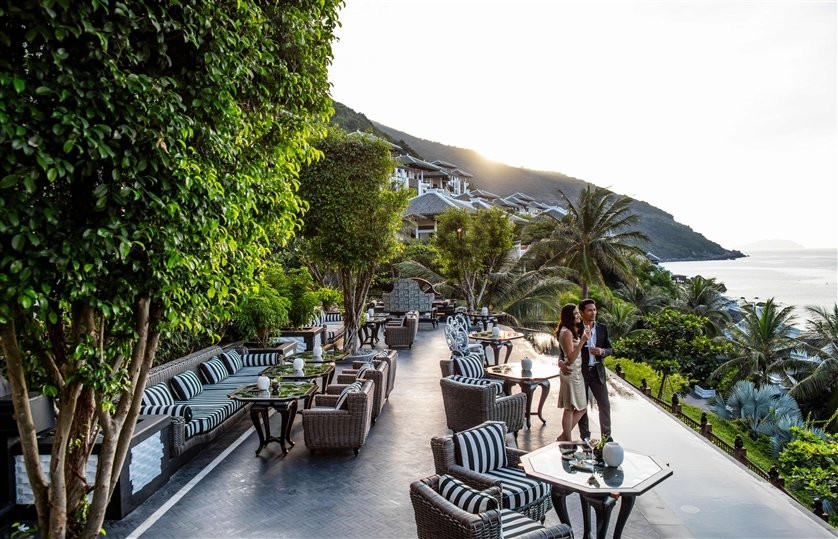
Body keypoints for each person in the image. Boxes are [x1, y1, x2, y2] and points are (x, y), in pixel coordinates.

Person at [569, 298, 613, 442]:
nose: (593, 312)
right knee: (582, 406)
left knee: (604, 405)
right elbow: (566, 350)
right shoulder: (575, 328)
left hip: (597, 372)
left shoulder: (602, 328)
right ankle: (585, 437)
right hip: (581, 372)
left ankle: (606, 437)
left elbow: (610, 349)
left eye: (594, 309)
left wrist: (602, 351)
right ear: (582, 313)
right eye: (589, 310)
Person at [555, 303, 591, 441]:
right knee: (570, 408)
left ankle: (564, 437)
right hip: (570, 372)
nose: (578, 315)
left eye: (578, 313)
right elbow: (569, 358)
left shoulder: (571, 329)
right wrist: (582, 341)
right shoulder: (567, 332)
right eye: (575, 313)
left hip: (576, 373)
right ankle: (567, 440)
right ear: (569, 316)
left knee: (581, 408)